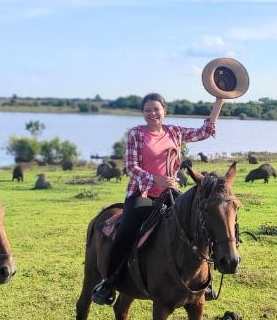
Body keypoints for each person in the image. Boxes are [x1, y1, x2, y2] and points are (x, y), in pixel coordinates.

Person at [91, 92, 225, 305]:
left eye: (156, 109)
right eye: (147, 110)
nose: (152, 113)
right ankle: (109, 281)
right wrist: (156, 179)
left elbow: (206, 131)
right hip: (142, 194)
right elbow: (131, 167)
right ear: (143, 113)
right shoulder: (136, 134)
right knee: (127, 230)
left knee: (200, 223)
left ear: (164, 110)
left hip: (170, 194)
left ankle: (203, 281)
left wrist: (219, 102)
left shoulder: (174, 132)